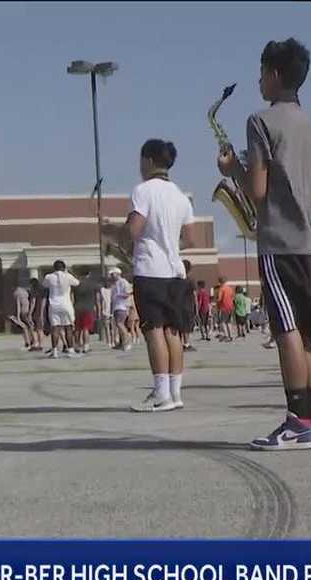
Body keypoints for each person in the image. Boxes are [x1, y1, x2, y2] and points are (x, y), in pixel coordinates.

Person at [217, 37, 311, 449]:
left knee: (286, 330)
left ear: (275, 74)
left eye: (262, 72)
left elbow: (258, 190)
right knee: (308, 334)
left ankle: (295, 421)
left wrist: (233, 171)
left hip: (279, 242)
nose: (258, 81)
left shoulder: (260, 121)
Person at [127, 138, 194, 412]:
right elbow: (189, 239)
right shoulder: (180, 195)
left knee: (153, 331)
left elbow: (134, 229)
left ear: (149, 161)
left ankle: (160, 393)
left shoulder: (143, 191)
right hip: (175, 271)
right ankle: (175, 393)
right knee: (172, 331)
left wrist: (113, 232)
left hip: (150, 270)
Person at [41, 261, 80, 359]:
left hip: (54, 304)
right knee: (68, 328)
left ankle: (54, 351)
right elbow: (77, 283)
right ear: (64, 268)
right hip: (66, 304)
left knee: (55, 328)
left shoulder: (49, 277)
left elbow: (44, 285)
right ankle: (70, 350)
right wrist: (68, 273)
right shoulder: (68, 276)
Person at [73, 269, 97, 354]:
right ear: (89, 274)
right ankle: (86, 346)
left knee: (77, 328)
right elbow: (96, 297)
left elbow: (73, 296)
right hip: (88, 307)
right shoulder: (92, 284)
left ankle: (76, 345)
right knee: (85, 328)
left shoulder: (76, 284)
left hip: (77, 307)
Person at [108, 267, 133, 350]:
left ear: (117, 273)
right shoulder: (114, 284)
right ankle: (121, 343)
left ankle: (128, 341)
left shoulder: (123, 282)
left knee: (120, 324)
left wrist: (120, 295)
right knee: (118, 325)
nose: (111, 276)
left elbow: (128, 293)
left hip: (121, 306)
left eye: (113, 274)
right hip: (116, 306)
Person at [9, 278, 35, 351]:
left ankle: (27, 343)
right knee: (30, 327)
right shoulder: (24, 291)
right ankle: (32, 341)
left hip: (22, 312)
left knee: (24, 328)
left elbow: (18, 305)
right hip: (27, 310)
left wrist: (17, 316)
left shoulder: (16, 293)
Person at [180, 260, 196, 352]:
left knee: (181, 325)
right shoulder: (190, 280)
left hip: (179, 305)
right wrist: (196, 307)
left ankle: (182, 343)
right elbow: (194, 294)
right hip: (188, 306)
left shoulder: (178, 280)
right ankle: (186, 344)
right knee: (187, 325)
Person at [29, 277, 47, 353]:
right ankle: (40, 344)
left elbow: (33, 302)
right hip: (41, 311)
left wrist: (30, 312)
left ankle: (36, 343)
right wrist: (42, 312)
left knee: (33, 328)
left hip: (35, 311)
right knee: (40, 329)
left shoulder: (34, 291)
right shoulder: (43, 291)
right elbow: (44, 302)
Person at [215, 275, 235, 342]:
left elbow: (219, 299)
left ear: (219, 282)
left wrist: (216, 302)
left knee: (223, 322)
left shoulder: (221, 289)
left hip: (224, 307)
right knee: (228, 322)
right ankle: (231, 335)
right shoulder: (230, 288)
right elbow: (232, 297)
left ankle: (226, 335)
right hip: (230, 307)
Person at [97, 278, 114, 347]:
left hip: (110, 309)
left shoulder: (110, 290)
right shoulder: (102, 290)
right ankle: (110, 341)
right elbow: (100, 301)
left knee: (111, 327)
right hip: (106, 310)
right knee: (108, 327)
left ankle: (112, 341)